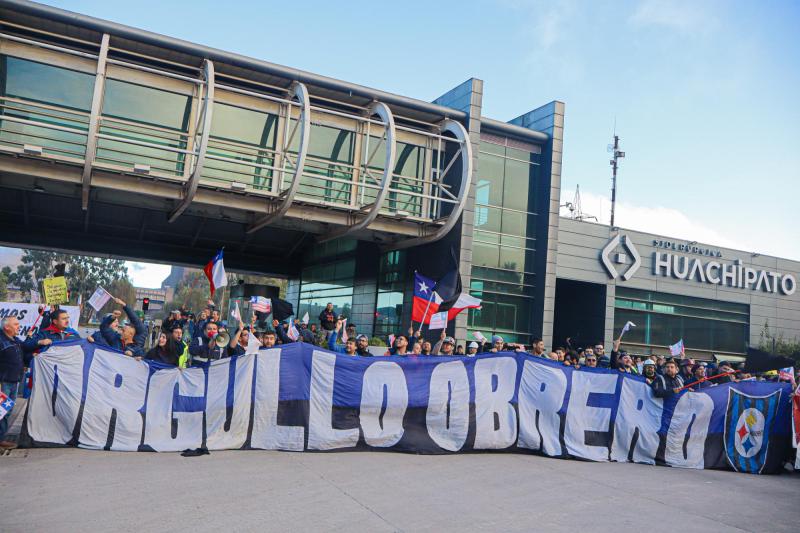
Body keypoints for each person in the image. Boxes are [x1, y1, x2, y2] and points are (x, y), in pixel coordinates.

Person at [0, 317, 51, 449]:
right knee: (1, 411)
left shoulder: (15, 340)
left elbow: (26, 347)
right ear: (7, 327)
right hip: (3, 383)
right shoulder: (1, 341)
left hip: (13, 381)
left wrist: (39, 342)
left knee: (6, 411)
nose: (18, 326)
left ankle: (1, 439)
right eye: (16, 324)